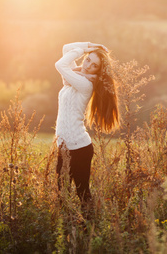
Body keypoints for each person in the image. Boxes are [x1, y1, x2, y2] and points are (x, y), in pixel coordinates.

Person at [55, 41, 120, 216]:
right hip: (63, 147)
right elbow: (66, 48)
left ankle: (91, 232)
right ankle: (69, 233)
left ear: (98, 71)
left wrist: (84, 51)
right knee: (62, 195)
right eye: (87, 60)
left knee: (82, 194)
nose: (88, 65)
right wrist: (90, 46)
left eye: (94, 66)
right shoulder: (75, 78)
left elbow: (60, 64)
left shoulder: (84, 84)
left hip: (79, 148)